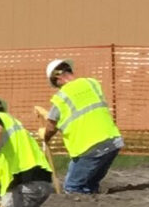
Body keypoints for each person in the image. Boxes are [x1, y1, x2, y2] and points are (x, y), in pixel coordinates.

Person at [38, 58, 125, 194]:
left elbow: (50, 127)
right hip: (112, 142)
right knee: (90, 182)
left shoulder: (61, 98)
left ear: (58, 78)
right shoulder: (92, 84)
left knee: (72, 187)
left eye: (56, 84)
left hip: (89, 148)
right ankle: (95, 201)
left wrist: (44, 135)